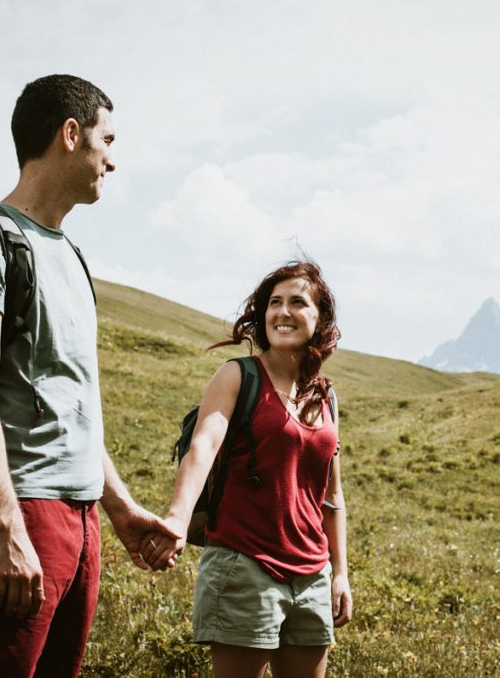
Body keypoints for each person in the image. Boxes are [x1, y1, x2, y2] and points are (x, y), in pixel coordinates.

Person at [0, 74, 179, 677]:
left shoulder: (70, 255)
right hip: (22, 509)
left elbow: (72, 405)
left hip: (82, 517)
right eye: (107, 140)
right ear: (71, 134)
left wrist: (118, 509)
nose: (112, 161)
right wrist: (7, 528)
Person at [147, 261, 353, 678]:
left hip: (313, 575)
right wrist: (177, 519)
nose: (283, 312)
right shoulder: (238, 376)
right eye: (275, 302)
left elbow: (331, 497)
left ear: (320, 319)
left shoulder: (325, 396)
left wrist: (340, 574)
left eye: (298, 302)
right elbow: (203, 447)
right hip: (244, 566)